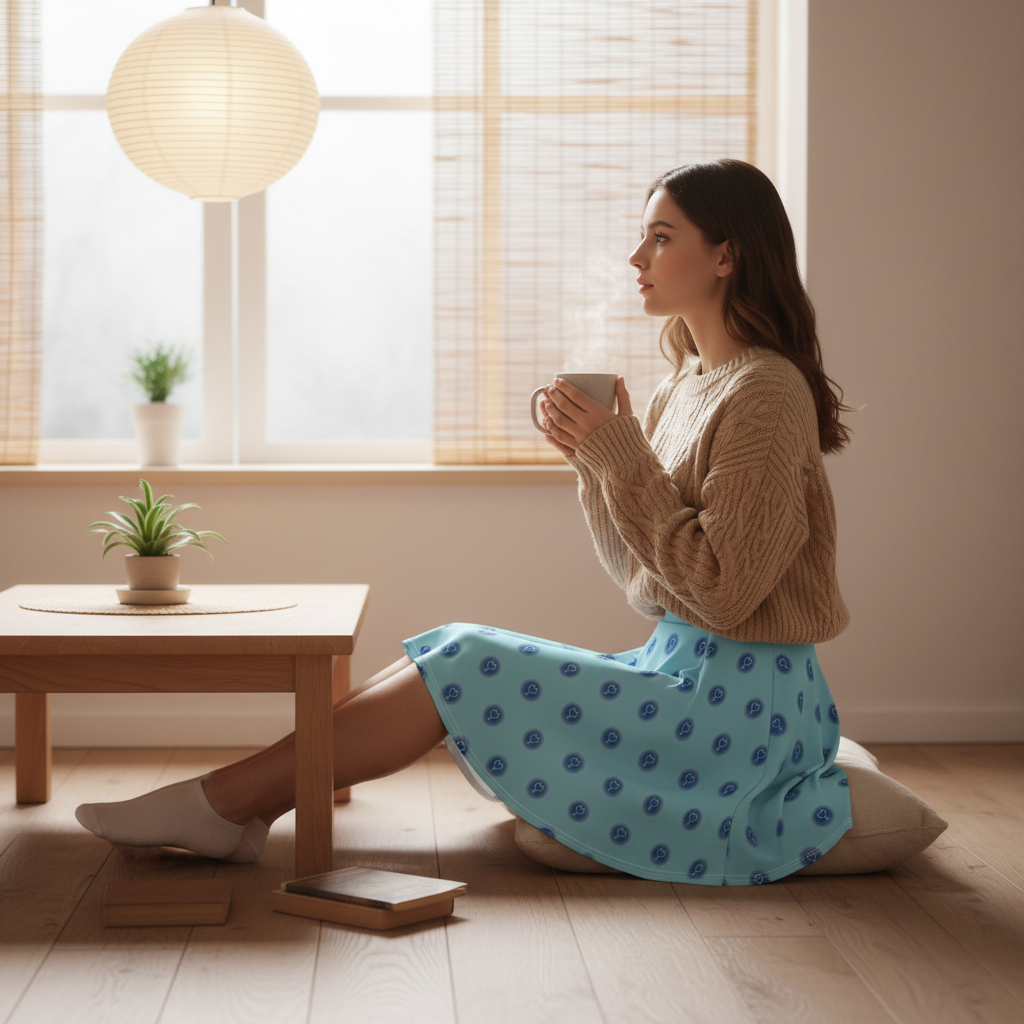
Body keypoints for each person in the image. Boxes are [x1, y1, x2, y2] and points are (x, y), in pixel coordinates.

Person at [76, 158, 854, 884]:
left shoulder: (766, 393)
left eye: (660, 237)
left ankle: (219, 802)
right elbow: (650, 587)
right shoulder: (683, 385)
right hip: (678, 668)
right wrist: (594, 462)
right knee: (452, 643)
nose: (636, 257)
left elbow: (723, 594)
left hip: (742, 714)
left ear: (727, 256)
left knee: (467, 658)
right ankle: (245, 803)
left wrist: (620, 458)